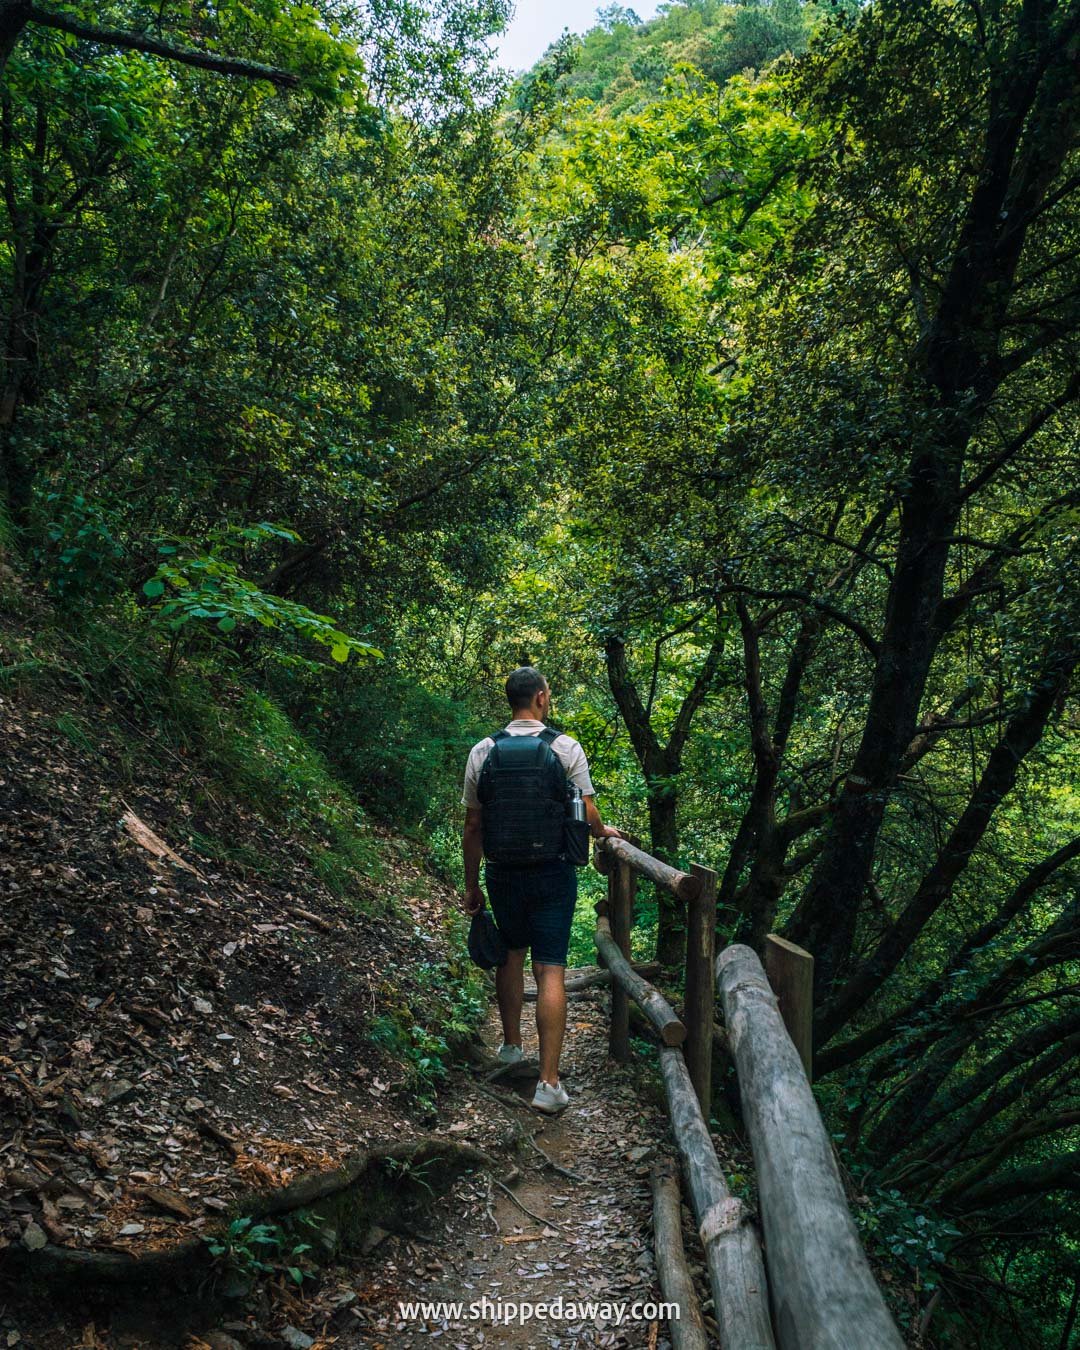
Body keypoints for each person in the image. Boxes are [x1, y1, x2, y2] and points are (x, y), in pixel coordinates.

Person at [461, 667, 623, 1113]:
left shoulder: (483, 749)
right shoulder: (565, 747)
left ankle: (512, 1047)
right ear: (539, 698)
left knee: (512, 954)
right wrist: (604, 830)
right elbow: (588, 811)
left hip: (502, 871)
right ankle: (549, 1085)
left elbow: (473, 825)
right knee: (550, 970)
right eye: (546, 693)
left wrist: (472, 884)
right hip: (553, 871)